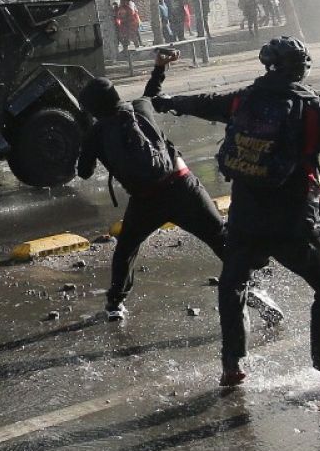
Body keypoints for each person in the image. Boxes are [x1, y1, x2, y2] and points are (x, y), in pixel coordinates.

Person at [155, 37, 320, 395]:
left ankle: (232, 364)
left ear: (267, 65)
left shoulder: (242, 100)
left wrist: (167, 100)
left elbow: (204, 102)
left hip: (246, 219)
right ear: (302, 69)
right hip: (295, 223)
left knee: (233, 283)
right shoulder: (312, 109)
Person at [77, 50, 224, 321]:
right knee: (219, 236)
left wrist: (88, 141)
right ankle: (250, 283)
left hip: (146, 201)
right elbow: (151, 95)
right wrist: (159, 68)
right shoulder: (141, 108)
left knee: (126, 250)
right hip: (183, 186)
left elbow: (84, 173)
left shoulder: (96, 133)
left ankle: (115, 304)